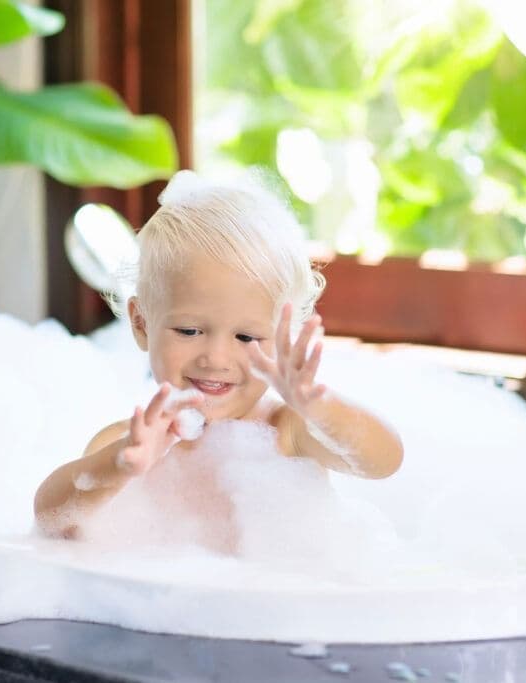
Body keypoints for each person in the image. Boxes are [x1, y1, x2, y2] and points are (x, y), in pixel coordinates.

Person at [34, 171, 404, 540]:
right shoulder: (131, 443)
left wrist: (320, 409)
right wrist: (115, 467)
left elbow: (383, 461)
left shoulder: (287, 432)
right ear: (141, 323)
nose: (216, 357)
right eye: (189, 331)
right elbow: (50, 518)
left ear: (282, 339)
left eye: (246, 336)